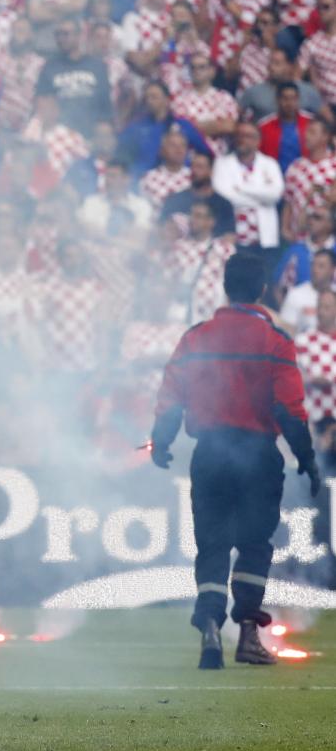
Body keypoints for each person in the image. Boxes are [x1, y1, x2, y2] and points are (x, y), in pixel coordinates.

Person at [149, 253, 323, 668]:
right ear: (263, 289)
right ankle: (247, 635)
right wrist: (307, 458)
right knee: (254, 545)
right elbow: (289, 409)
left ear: (225, 287)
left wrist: (161, 441)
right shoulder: (275, 341)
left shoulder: (195, 338)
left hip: (209, 453)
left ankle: (209, 624)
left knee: (211, 544)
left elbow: (171, 397)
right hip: (258, 456)